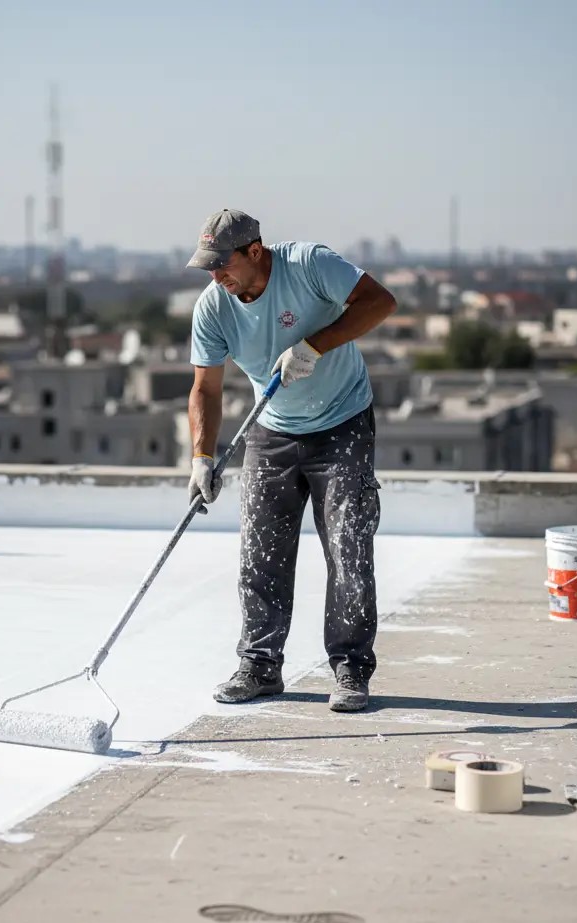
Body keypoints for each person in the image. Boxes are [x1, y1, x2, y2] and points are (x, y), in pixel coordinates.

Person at [185, 208, 397, 712]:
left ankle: (350, 667)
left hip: (342, 421)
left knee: (348, 549)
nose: (217, 276)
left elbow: (381, 302)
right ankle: (259, 666)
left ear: (255, 251)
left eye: (223, 264)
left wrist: (314, 345)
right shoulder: (215, 307)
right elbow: (204, 388)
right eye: (209, 267)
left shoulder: (309, 265)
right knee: (260, 552)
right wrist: (201, 456)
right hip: (272, 430)